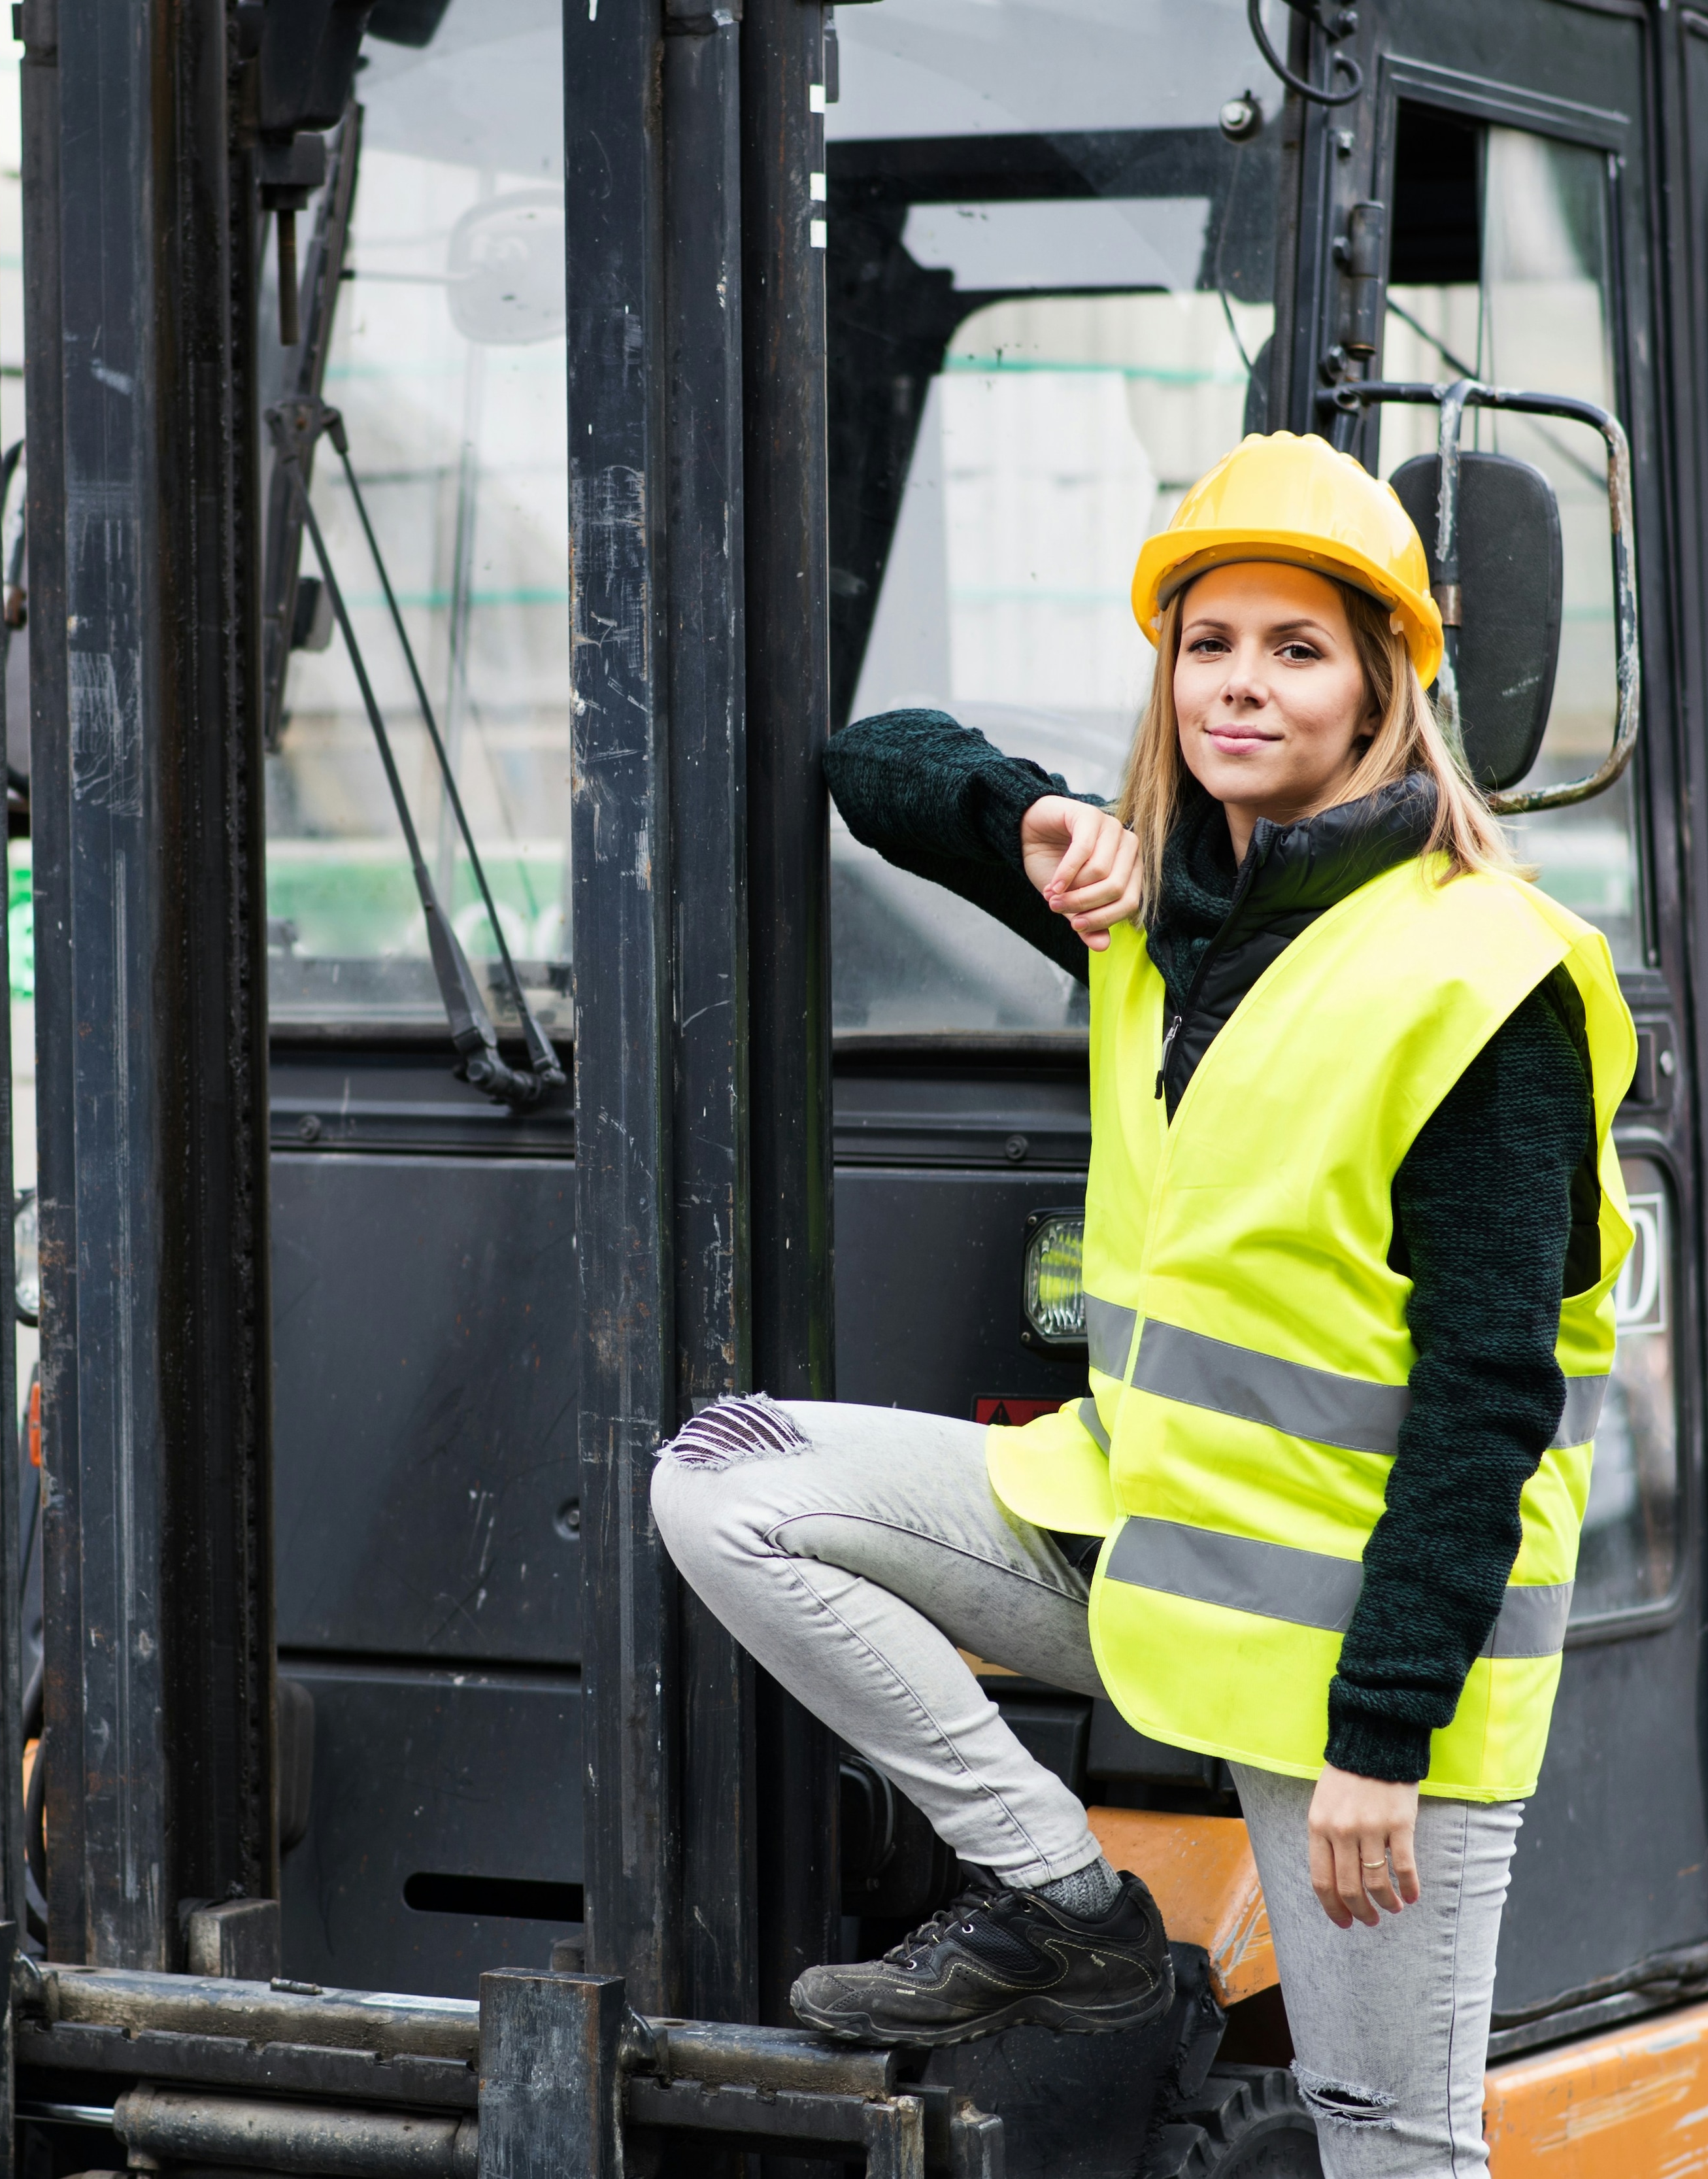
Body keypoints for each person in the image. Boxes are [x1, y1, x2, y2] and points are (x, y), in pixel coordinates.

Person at [650, 432, 1635, 2176]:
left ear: (1382, 688)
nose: (1240, 683)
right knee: (729, 1484)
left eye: (1296, 648)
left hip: (1365, 1649)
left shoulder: (1482, 974)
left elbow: (1492, 1396)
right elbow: (870, 764)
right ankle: (1060, 1899)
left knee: (1390, 2136)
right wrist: (1032, 823)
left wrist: (1382, 1742)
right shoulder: (1162, 914)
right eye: (1208, 643)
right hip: (1151, 1542)